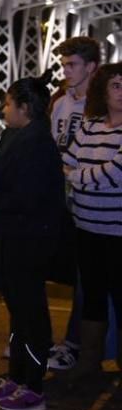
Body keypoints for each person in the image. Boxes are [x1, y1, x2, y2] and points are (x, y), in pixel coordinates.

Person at [0, 76, 64, 410]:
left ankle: (33, 387)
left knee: (30, 312)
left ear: (24, 108)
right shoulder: (18, 135)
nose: (3, 108)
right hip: (13, 234)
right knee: (18, 310)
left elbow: (24, 196)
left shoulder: (37, 143)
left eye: (8, 103)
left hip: (29, 239)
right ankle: (16, 377)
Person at [61, 63, 122, 387]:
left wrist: (78, 178)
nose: (121, 92)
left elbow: (115, 174)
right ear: (103, 90)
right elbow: (66, 160)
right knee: (93, 298)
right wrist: (78, 177)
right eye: (115, 85)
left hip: (118, 232)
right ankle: (89, 363)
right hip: (86, 228)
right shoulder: (90, 125)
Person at [46, 36, 101, 371]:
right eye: (63, 65)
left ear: (91, 67)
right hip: (61, 199)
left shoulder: (102, 105)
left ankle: (74, 345)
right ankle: (35, 339)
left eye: (73, 65)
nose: (66, 71)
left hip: (90, 202)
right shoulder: (61, 103)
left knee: (86, 278)